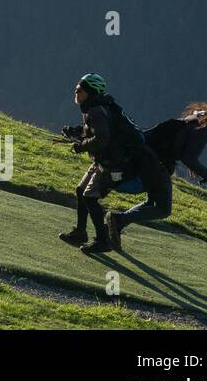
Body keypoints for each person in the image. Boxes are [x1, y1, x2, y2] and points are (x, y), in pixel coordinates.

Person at [106, 98, 207, 249]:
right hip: (158, 164)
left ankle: (113, 226)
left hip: (151, 156)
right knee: (163, 209)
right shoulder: (205, 129)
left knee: (151, 204)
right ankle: (118, 221)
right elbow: (188, 157)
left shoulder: (198, 115)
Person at [57, 73, 165, 254]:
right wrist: (75, 131)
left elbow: (102, 138)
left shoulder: (96, 111)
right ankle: (80, 232)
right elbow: (96, 131)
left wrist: (80, 147)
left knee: (90, 197)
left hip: (111, 164)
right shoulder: (96, 107)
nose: (76, 91)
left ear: (90, 92)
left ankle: (102, 241)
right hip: (104, 161)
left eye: (80, 89)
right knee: (80, 191)